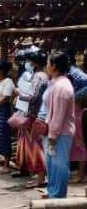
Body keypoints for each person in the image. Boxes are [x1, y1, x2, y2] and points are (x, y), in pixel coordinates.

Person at [13, 50, 48, 188]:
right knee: (35, 146)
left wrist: (18, 93)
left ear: (34, 62)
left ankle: (40, 177)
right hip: (36, 114)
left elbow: (34, 97)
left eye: (28, 61)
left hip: (34, 115)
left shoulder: (39, 77)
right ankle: (39, 176)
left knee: (35, 147)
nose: (27, 63)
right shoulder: (39, 75)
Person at [43, 51, 76, 199]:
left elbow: (58, 115)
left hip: (59, 133)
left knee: (59, 165)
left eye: (48, 63)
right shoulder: (57, 83)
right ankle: (53, 193)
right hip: (55, 132)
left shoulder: (61, 87)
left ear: (54, 66)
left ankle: (58, 196)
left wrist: (52, 135)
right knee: (52, 165)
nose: (46, 66)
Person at [67, 49, 87, 183]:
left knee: (78, 142)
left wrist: (74, 98)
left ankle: (80, 174)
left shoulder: (73, 72)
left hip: (76, 110)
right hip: (75, 109)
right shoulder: (75, 72)